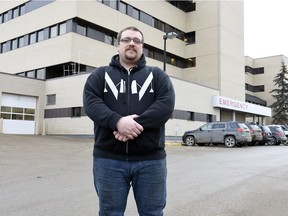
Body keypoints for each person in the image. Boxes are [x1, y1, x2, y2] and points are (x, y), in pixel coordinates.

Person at [83, 26, 175, 216]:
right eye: (126, 39)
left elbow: (165, 106)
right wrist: (117, 122)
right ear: (118, 45)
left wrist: (130, 126)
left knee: (153, 213)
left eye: (137, 40)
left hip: (151, 161)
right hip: (108, 159)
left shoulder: (158, 76)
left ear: (142, 47)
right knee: (110, 213)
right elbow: (92, 104)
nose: (131, 43)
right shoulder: (99, 76)